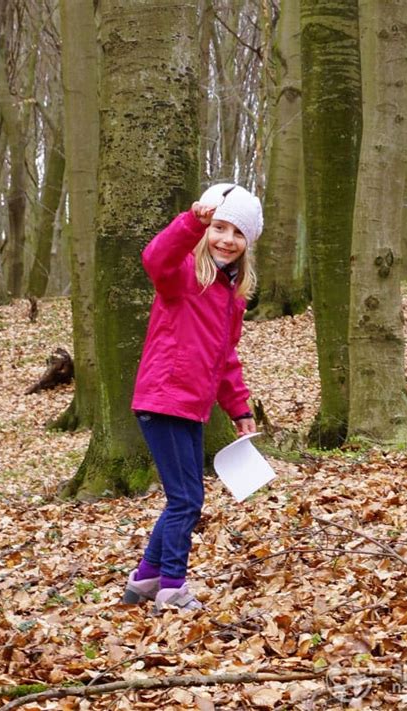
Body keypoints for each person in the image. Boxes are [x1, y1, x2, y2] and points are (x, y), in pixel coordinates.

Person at [123, 183, 263, 612]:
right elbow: (155, 257)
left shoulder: (231, 298)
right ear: (206, 230)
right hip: (162, 400)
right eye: (219, 228)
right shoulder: (182, 275)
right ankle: (173, 587)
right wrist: (191, 222)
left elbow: (225, 359)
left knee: (184, 497)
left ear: (247, 244)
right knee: (186, 500)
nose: (226, 239)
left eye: (238, 233)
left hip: (193, 408)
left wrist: (239, 408)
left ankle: (146, 578)